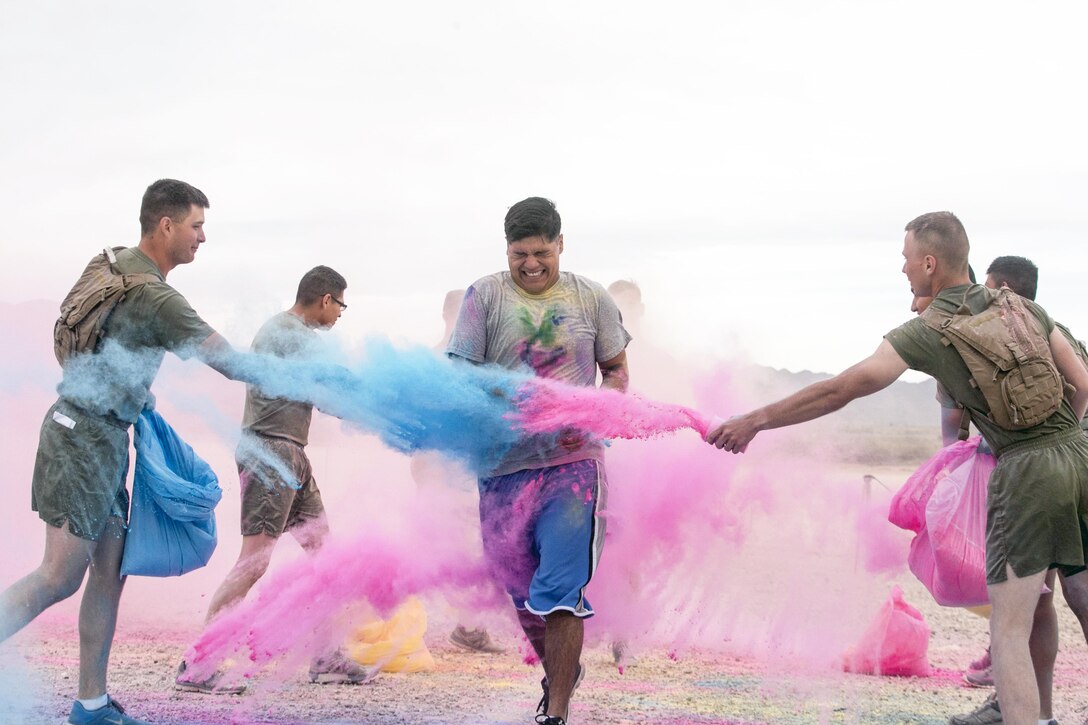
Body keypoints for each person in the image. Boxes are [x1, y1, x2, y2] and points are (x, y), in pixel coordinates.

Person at [706, 212, 1088, 725]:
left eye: (906, 259)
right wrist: (1060, 443)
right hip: (1081, 456)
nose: (903, 270)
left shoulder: (930, 330)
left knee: (1009, 631)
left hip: (1026, 474)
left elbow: (842, 388)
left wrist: (755, 420)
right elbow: (1082, 385)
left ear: (930, 263)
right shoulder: (1021, 307)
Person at [0, 179, 260, 725]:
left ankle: (90, 705)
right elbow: (232, 363)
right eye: (196, 225)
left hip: (101, 433)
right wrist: (304, 379)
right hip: (81, 439)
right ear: (166, 226)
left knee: (109, 568)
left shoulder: (113, 262)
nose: (202, 238)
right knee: (59, 575)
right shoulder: (156, 298)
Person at [447, 197, 630, 725]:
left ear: (561, 245)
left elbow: (616, 370)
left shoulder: (590, 297)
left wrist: (595, 410)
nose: (530, 264)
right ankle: (560, 671)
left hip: (573, 468)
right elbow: (460, 376)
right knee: (519, 588)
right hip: (501, 465)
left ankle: (557, 713)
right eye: (520, 253)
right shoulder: (484, 296)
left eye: (541, 253)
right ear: (507, 249)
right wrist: (503, 402)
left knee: (560, 590)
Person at [174, 265, 373, 692]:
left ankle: (327, 657)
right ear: (325, 299)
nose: (340, 315)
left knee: (325, 557)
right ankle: (199, 664)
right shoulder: (291, 335)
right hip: (269, 453)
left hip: (291, 454)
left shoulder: (294, 336)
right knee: (255, 561)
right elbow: (335, 387)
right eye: (340, 304)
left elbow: (323, 395)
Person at [946, 255, 1088, 725]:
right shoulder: (1027, 336)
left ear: (1004, 288)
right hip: (1050, 478)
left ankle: (1021, 708)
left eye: (987, 287)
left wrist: (1056, 443)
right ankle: (1031, 710)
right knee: (1039, 601)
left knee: (1074, 596)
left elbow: (1081, 390)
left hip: (1056, 478)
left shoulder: (1041, 336)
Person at [410, 288, 505, 655]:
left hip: (450, 470)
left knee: (444, 544)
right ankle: (464, 627)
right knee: (454, 545)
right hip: (446, 471)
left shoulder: (442, 359)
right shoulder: (447, 360)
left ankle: (466, 626)